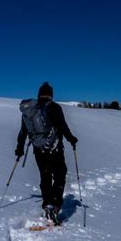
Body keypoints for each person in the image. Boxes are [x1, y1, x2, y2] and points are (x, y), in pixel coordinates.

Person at [15, 82, 78, 223]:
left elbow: (23, 131)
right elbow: (62, 126)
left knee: (45, 176)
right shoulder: (54, 108)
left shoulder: (30, 110)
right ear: (51, 94)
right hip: (55, 149)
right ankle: (55, 205)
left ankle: (47, 204)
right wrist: (71, 139)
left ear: (39, 94)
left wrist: (20, 148)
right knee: (60, 174)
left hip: (38, 150)